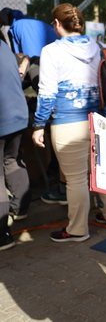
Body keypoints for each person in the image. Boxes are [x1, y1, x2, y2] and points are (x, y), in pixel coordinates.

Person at [31, 3, 106, 242]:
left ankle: (78, 229)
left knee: (76, 179)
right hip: (99, 119)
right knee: (103, 171)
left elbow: (47, 93)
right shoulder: (99, 46)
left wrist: (39, 124)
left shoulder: (51, 51)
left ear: (57, 24)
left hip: (67, 122)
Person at [0, 38, 30, 250]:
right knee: (11, 160)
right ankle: (20, 209)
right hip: (18, 115)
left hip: (3, 118)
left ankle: (2, 235)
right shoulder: (3, 46)